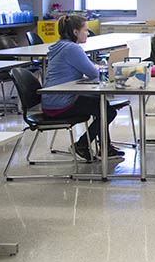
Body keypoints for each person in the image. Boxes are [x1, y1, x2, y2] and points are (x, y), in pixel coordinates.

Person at [41, 14, 122, 162]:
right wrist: (102, 69)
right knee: (107, 111)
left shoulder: (62, 46)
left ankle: (105, 147)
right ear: (75, 32)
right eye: (85, 30)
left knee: (101, 104)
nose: (88, 33)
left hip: (52, 100)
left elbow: (88, 68)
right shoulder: (72, 48)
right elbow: (94, 73)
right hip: (60, 103)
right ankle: (83, 144)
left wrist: (96, 68)